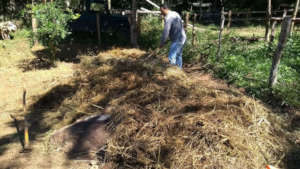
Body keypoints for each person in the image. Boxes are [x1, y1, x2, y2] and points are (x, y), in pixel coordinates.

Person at [159, 4, 186, 68]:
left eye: (161, 11)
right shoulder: (175, 13)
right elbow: (176, 26)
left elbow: (166, 31)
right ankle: (179, 72)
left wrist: (162, 42)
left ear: (164, 9)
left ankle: (172, 73)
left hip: (178, 39)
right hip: (182, 37)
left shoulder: (168, 18)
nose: (161, 13)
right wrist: (169, 37)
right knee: (178, 55)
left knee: (171, 56)